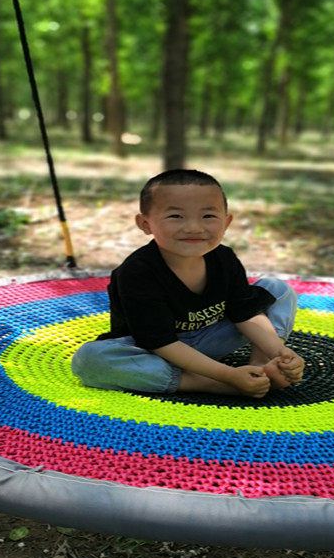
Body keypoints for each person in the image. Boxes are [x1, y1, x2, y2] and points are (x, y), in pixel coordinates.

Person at [71, 169, 304, 398]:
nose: (194, 227)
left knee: (277, 290)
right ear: (145, 224)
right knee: (89, 359)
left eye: (208, 216)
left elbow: (246, 314)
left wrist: (280, 351)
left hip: (211, 338)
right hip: (154, 352)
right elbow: (160, 342)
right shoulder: (137, 272)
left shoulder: (224, 258)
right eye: (176, 216)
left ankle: (261, 368)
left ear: (226, 222)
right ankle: (206, 383)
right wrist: (227, 375)